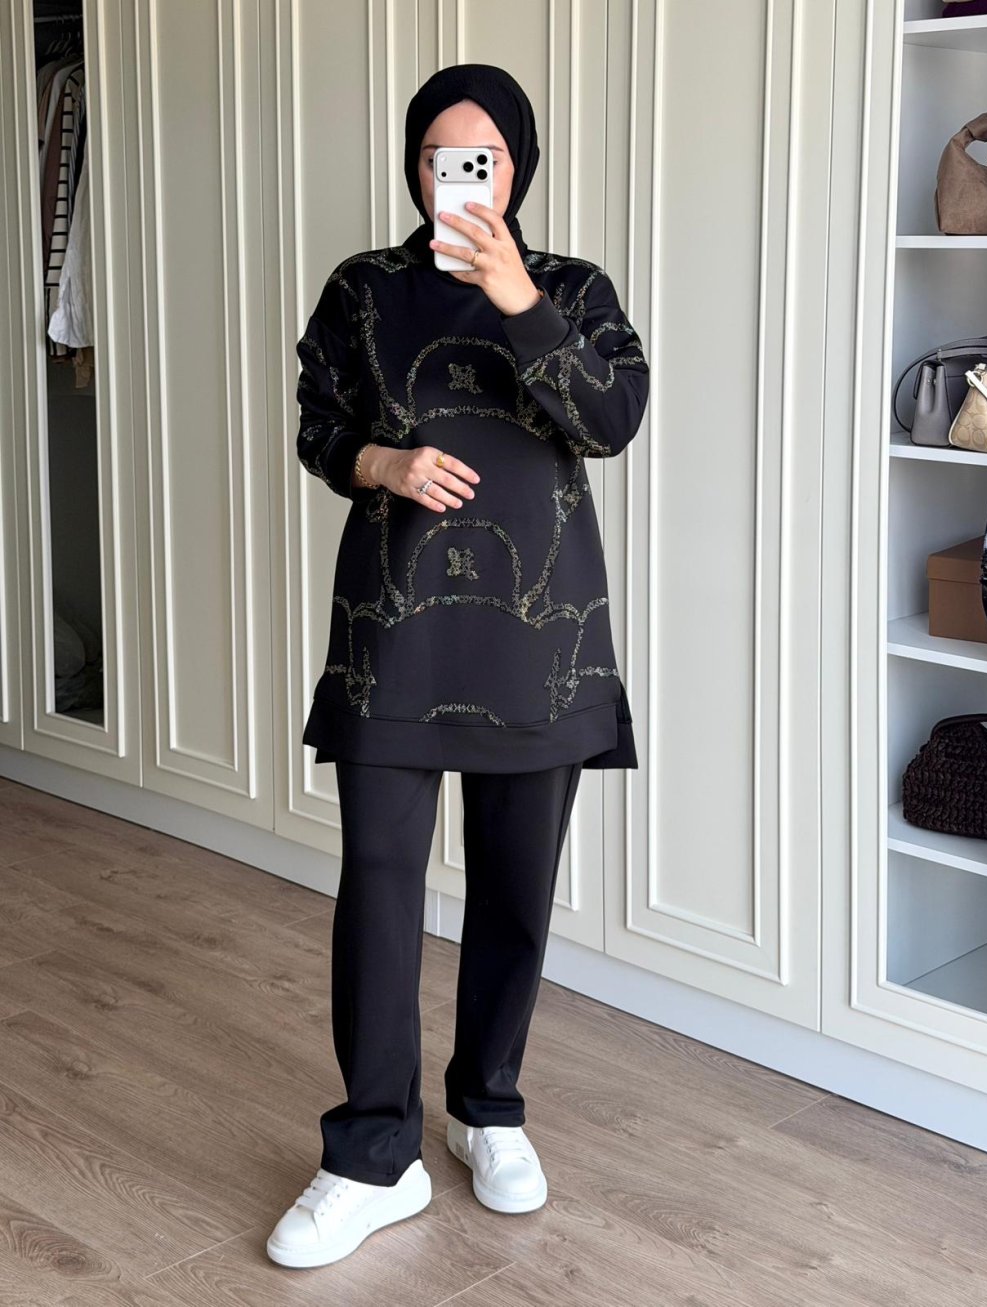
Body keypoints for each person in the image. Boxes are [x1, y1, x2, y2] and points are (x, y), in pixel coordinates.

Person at [267, 62, 649, 1270]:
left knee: (515, 885)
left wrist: (516, 297)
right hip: (395, 627)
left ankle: (487, 1106)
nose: (461, 175)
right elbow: (317, 420)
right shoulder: (363, 289)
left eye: (483, 156)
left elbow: (611, 419)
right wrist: (378, 464)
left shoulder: (571, 288)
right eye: (442, 156)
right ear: (415, 165)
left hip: (540, 634)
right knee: (379, 880)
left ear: (518, 168)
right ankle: (371, 1153)